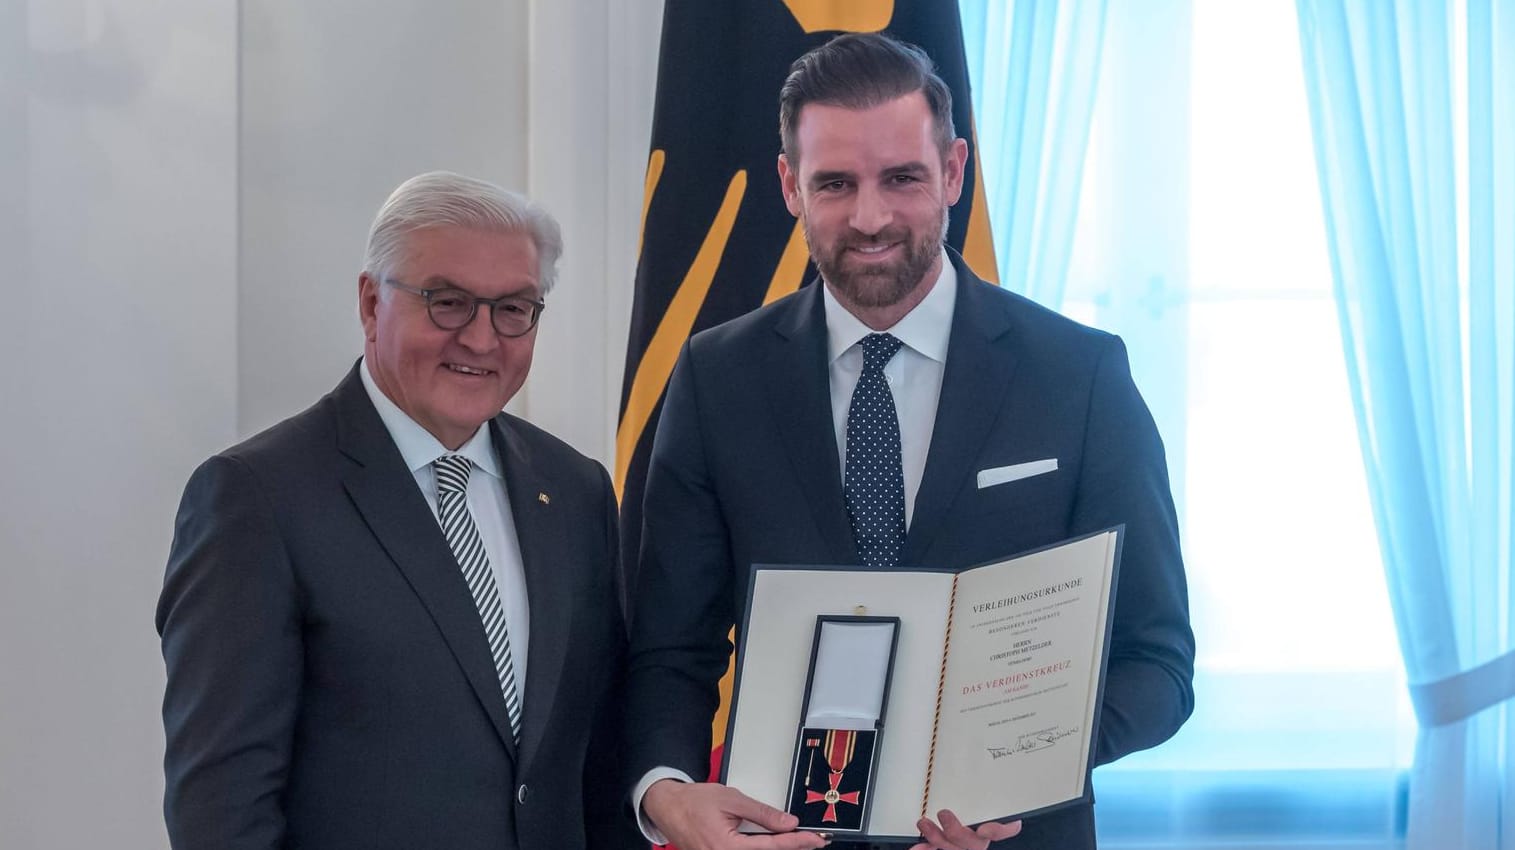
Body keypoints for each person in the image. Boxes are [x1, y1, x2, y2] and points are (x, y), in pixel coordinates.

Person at [624, 33, 1195, 850]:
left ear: (953, 172)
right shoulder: (717, 379)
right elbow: (668, 651)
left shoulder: (1080, 376)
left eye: (901, 178)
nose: (869, 217)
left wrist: (1004, 767)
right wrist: (667, 796)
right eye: (834, 184)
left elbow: (1158, 661)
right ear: (789, 185)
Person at [157, 171, 637, 850]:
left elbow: (598, 758)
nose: (480, 339)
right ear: (368, 302)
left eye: (513, 309)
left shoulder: (575, 489)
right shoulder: (256, 497)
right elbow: (220, 810)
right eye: (447, 302)